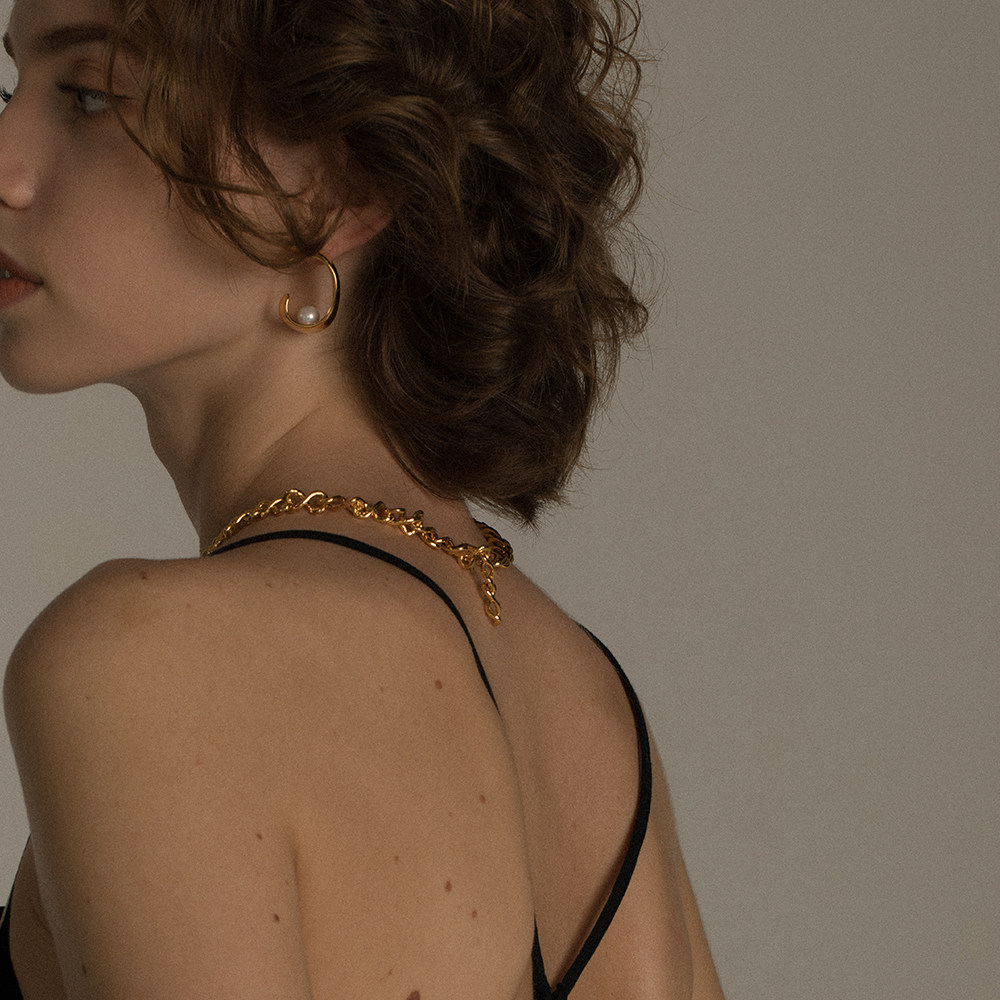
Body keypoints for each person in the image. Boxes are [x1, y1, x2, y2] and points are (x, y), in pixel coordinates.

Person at [0, 0, 724, 996]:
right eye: (14, 86)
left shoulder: (148, 660)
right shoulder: (588, 707)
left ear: (341, 187)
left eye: (87, 95)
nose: (7, 161)